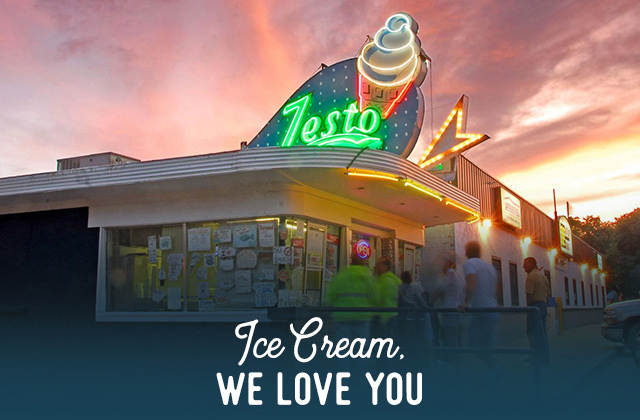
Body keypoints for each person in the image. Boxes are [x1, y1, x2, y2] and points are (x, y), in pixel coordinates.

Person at [458, 241, 500, 382]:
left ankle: (494, 367)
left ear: (467, 252)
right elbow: (496, 288)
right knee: (489, 344)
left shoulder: (469, 264)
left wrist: (465, 302)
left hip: (481, 310)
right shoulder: (489, 267)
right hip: (493, 308)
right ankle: (493, 373)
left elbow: (472, 281)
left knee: (473, 343)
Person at [431, 258, 465, 362]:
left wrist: (430, 305)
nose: (442, 267)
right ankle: (457, 358)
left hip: (449, 309)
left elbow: (437, 291)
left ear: (447, 266)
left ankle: (451, 358)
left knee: (447, 335)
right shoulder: (459, 277)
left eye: (443, 265)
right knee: (456, 335)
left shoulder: (448, 277)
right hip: (458, 310)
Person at [397, 270, 432, 361]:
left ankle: (406, 354)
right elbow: (422, 297)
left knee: (406, 334)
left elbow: (398, 300)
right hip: (418, 313)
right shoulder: (417, 287)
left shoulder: (400, 288)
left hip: (405, 313)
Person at [524, 257, 551, 365]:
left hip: (534, 306)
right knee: (542, 332)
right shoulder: (543, 276)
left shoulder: (531, 277)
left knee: (532, 332)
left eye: (525, 264)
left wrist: (529, 308)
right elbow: (548, 294)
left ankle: (536, 356)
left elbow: (529, 295)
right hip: (543, 305)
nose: (523, 266)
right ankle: (544, 356)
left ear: (531, 264)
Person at [373, 256, 401, 337]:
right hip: (392, 317)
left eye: (379, 264)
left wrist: (383, 320)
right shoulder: (394, 280)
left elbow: (386, 302)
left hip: (385, 319)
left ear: (385, 267)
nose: (376, 267)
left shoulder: (386, 282)